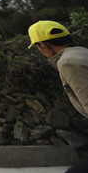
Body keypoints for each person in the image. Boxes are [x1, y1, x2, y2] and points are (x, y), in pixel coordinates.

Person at [28, 20, 88, 173]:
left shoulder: (68, 62)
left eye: (37, 46)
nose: (39, 51)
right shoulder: (82, 52)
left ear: (43, 45)